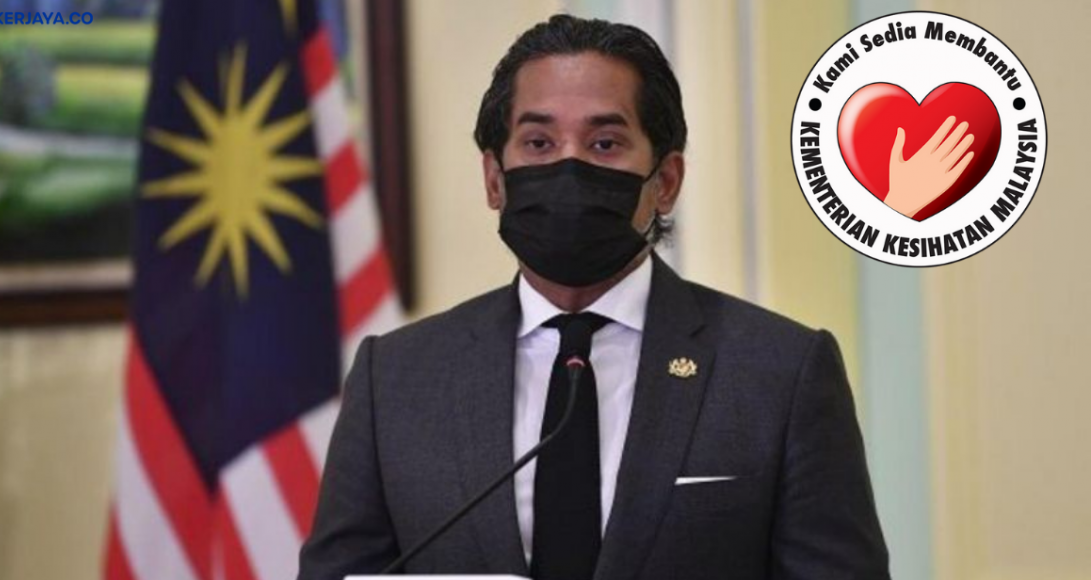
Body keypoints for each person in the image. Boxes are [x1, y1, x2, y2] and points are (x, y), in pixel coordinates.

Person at [298, 14, 889, 580]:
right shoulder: (395, 379)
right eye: (538, 142)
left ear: (665, 182)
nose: (569, 166)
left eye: (605, 144)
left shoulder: (780, 372)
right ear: (494, 179)